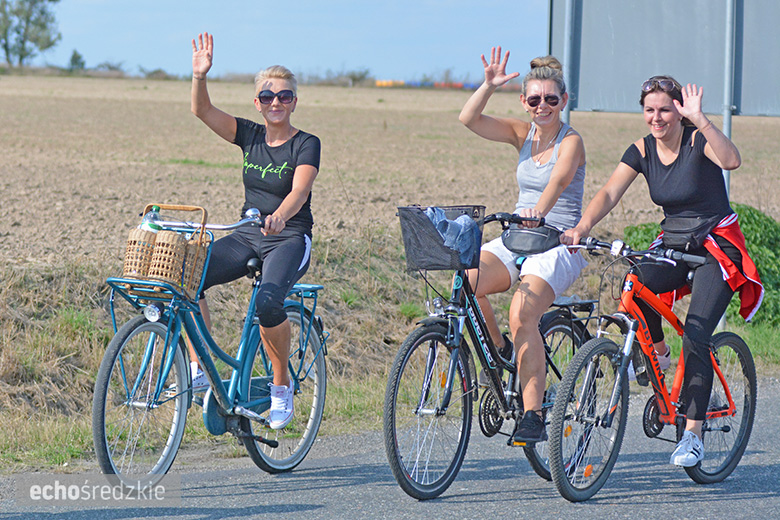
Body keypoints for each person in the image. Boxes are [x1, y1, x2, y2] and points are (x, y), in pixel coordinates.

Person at [562, 76, 763, 466]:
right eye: (650, 110)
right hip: (673, 244)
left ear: (678, 111)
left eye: (665, 110)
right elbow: (609, 193)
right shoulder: (641, 149)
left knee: (697, 335)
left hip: (714, 247)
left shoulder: (696, 139)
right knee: (632, 284)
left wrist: (701, 119)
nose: (657, 118)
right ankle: (658, 352)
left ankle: (692, 435)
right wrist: (582, 228)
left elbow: (732, 160)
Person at [189, 32, 321, 430]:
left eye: (283, 96)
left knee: (268, 304)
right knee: (187, 278)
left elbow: (300, 190)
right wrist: (199, 76)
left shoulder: (306, 143)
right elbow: (203, 111)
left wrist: (281, 215)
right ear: (257, 103)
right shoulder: (249, 135)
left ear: (294, 101)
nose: (275, 103)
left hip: (289, 238)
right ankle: (200, 370)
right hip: (248, 234)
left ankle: (281, 388)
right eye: (267, 97)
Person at [459, 46, 587, 443]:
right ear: (525, 102)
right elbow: (469, 119)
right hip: (518, 236)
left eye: (551, 99)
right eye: (535, 99)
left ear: (563, 101)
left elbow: (559, 181)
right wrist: (487, 85)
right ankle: (499, 350)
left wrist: (539, 211)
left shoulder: (572, 141)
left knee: (522, 312)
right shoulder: (521, 132)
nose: (543, 106)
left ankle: (532, 413)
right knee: (466, 278)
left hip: (557, 243)